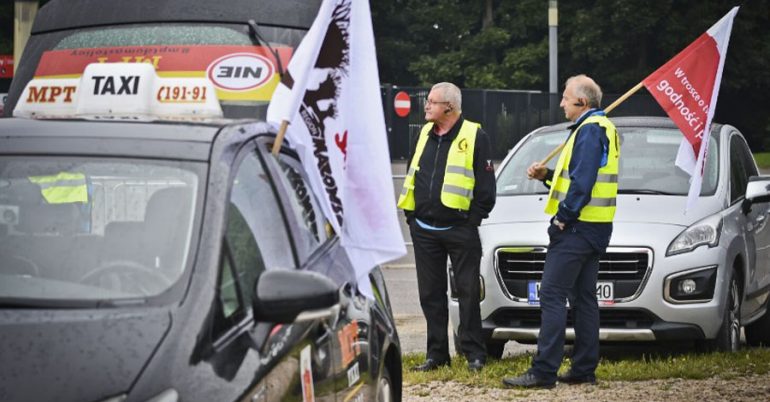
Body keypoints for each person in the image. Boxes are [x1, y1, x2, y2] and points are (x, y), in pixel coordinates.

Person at [502, 74, 619, 388]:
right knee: (583, 299)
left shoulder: (591, 130)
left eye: (566, 97)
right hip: (594, 227)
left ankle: (543, 371)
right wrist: (547, 176)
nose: (561, 103)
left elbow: (582, 186)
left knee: (552, 295)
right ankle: (583, 369)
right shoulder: (597, 128)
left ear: (581, 101)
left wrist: (562, 219)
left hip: (577, 229)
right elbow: (576, 178)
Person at [397, 82, 496, 372]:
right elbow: (412, 174)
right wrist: (411, 216)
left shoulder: (475, 135)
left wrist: (472, 219)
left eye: (431, 101)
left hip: (460, 230)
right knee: (430, 294)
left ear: (449, 107)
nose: (426, 105)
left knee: (467, 294)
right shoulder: (424, 133)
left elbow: (486, 185)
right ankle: (436, 354)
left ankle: (474, 354)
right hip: (424, 229)